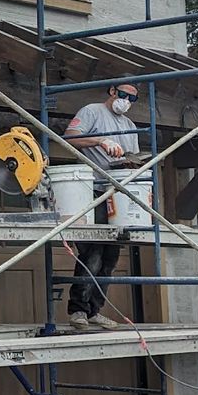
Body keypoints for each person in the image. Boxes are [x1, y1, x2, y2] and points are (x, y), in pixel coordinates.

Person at [62, 82, 141, 329]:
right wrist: (99, 141)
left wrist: (130, 164)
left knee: (111, 257)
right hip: (91, 190)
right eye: (125, 95)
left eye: (133, 99)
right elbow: (70, 138)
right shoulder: (92, 112)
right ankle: (78, 310)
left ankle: (95, 310)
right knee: (92, 253)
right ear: (112, 91)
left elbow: (135, 159)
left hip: (116, 193)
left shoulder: (129, 126)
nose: (127, 101)